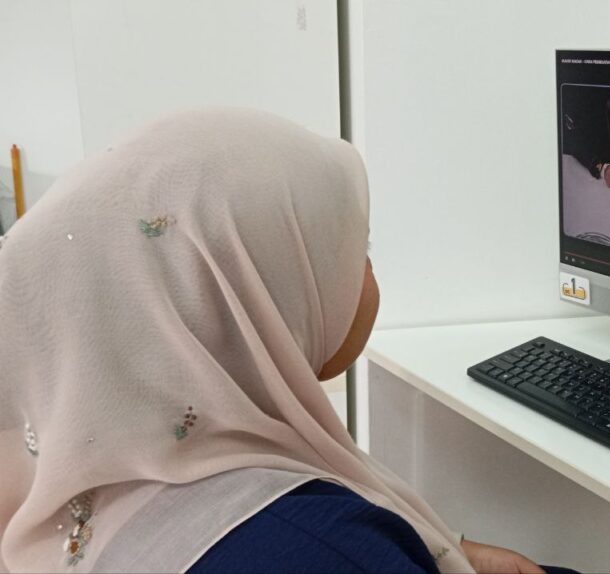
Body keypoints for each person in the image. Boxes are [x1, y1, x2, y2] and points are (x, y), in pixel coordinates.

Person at [0, 109, 574, 574]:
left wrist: (430, 552)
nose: (367, 273)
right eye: (357, 247)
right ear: (255, 288)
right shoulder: (321, 548)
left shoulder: (64, 496)